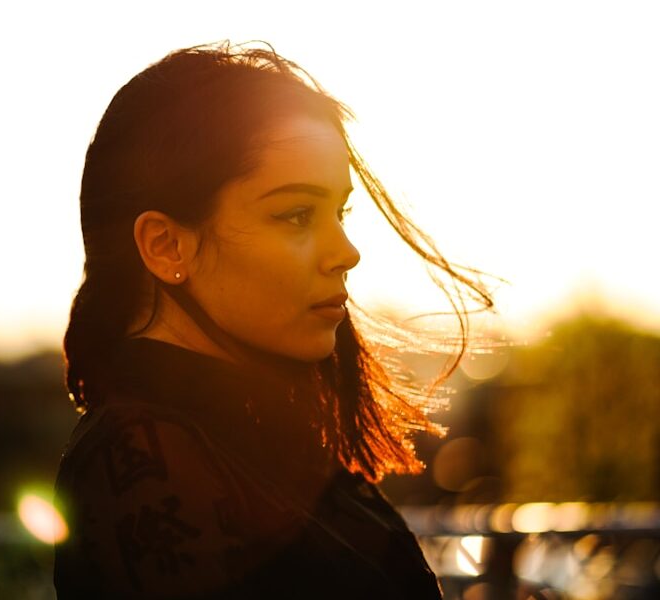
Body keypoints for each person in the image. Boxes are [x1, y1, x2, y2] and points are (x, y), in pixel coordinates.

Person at [53, 40, 492, 598]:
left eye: (340, 210)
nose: (346, 251)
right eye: (296, 214)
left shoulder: (261, 440)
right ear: (166, 246)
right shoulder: (142, 466)